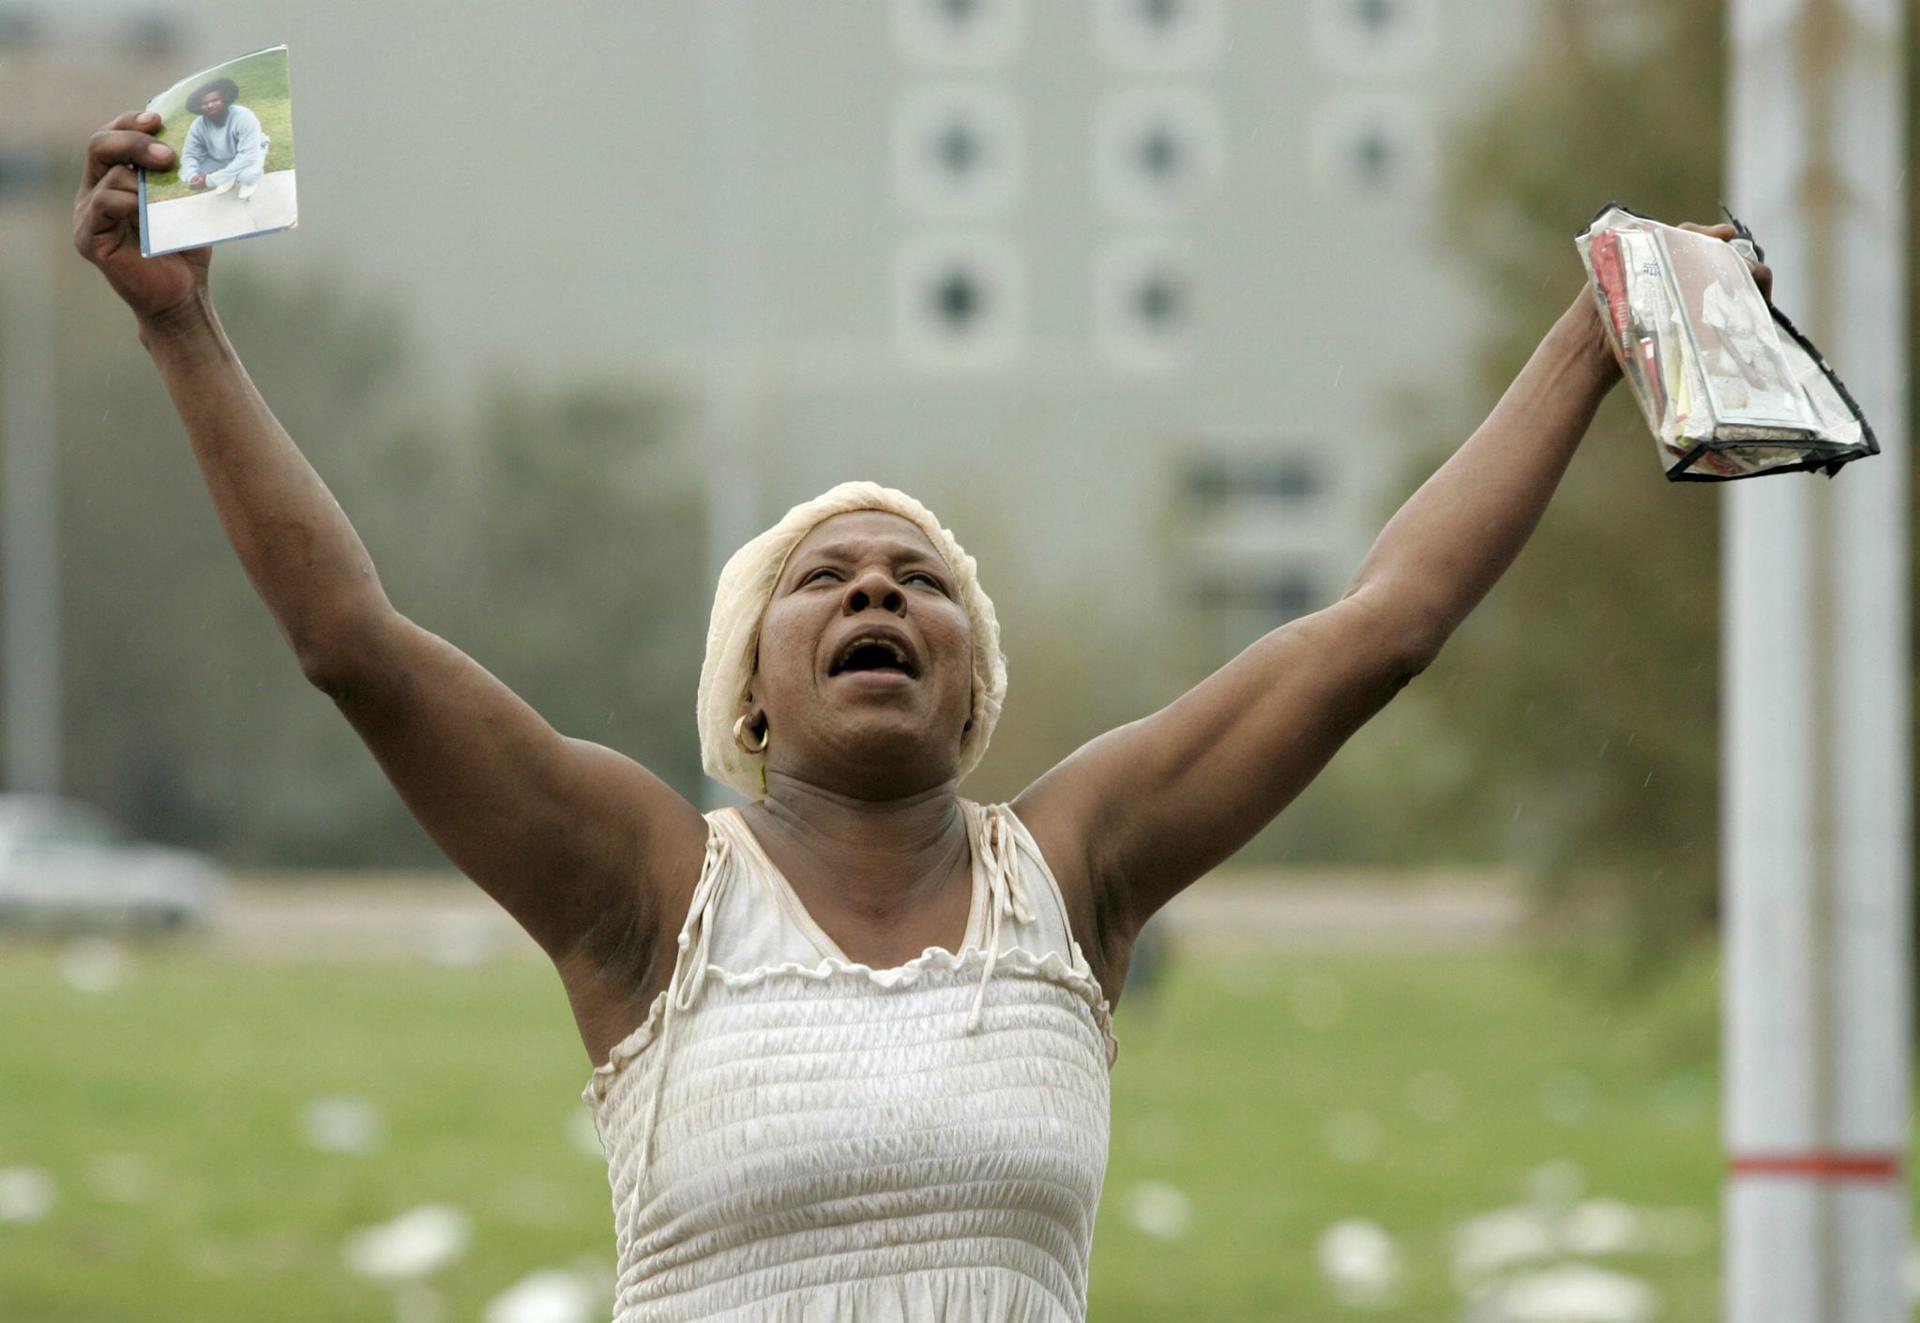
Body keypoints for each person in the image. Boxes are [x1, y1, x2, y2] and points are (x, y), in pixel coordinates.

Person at [74, 111, 1771, 1321]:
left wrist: (1594, 329)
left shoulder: (1075, 868)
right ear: (750, 691)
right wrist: (184, 329)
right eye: (824, 577)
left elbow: (1378, 629)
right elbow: (355, 647)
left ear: (973, 693)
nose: (879, 590)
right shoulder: (646, 889)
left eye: (923, 579)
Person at [176, 77, 269, 202]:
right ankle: (228, 178)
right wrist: (191, 176)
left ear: (224, 100)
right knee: (196, 170)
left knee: (247, 176)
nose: (210, 105)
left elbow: (248, 156)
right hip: (222, 157)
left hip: (252, 152)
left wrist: (211, 180)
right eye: (204, 103)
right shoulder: (198, 125)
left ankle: (246, 180)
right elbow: (189, 154)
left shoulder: (243, 116)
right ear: (199, 107)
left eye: (215, 100)